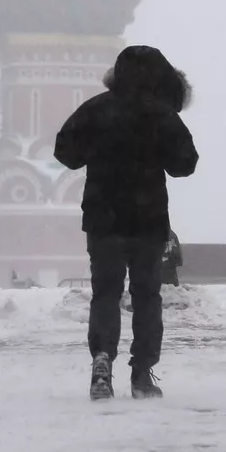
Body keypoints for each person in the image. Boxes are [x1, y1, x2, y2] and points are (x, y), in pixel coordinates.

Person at [54, 45, 198, 402]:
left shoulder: (96, 109)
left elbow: (65, 152)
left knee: (106, 293)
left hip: (104, 219)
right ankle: (142, 374)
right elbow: (185, 163)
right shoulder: (161, 114)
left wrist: (100, 150)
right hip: (147, 220)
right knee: (147, 296)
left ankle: (102, 359)